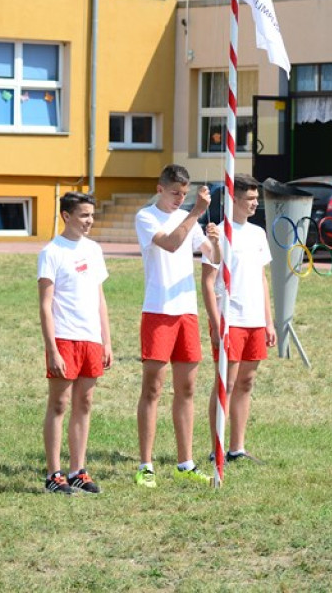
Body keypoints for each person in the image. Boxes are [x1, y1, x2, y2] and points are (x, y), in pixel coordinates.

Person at [134, 164, 220, 488]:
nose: (179, 199)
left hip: (187, 312)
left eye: (184, 195)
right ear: (160, 189)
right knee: (153, 389)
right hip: (158, 311)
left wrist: (216, 242)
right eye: (175, 194)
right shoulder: (146, 217)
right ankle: (146, 464)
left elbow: (212, 257)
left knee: (186, 389)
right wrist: (196, 211)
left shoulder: (190, 218)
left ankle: (185, 462)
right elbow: (171, 243)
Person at [38, 191, 112, 494]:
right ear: (66, 216)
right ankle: (53, 475)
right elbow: (45, 304)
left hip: (90, 338)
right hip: (65, 338)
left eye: (91, 215)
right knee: (59, 404)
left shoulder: (94, 250)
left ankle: (77, 471)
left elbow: (100, 298)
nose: (89, 221)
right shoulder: (51, 251)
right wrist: (52, 348)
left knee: (85, 403)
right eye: (83, 215)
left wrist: (106, 341)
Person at [202, 174, 276, 463]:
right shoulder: (218, 234)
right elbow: (208, 282)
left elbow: (262, 279)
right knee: (226, 383)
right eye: (250, 199)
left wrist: (268, 321)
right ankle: (216, 447)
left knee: (246, 382)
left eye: (257, 199)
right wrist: (216, 321)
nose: (255, 203)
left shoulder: (258, 233)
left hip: (254, 320)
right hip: (230, 319)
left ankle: (237, 448)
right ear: (233, 199)